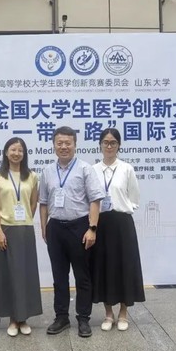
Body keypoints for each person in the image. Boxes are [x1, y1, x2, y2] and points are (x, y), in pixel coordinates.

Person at [39, 126, 105, 338]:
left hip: (80, 227)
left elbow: (95, 200)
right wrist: (44, 227)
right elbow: (43, 202)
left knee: (82, 275)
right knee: (59, 276)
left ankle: (83, 318)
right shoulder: (47, 171)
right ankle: (61, 317)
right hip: (56, 228)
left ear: (75, 145)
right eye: (59, 143)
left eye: (68, 143)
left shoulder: (86, 169)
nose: (64, 147)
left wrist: (92, 228)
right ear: (53, 145)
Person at [91, 128, 145, 331]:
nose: (109, 146)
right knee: (104, 267)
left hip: (122, 224)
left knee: (125, 267)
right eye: (105, 142)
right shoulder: (93, 170)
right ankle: (108, 314)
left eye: (113, 142)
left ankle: (123, 313)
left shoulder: (126, 169)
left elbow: (134, 197)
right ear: (100, 145)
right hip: (100, 223)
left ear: (119, 145)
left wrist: (124, 207)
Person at [0, 137, 43, 337]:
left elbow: (33, 203)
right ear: (6, 152)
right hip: (6, 230)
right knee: (9, 275)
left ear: (24, 153)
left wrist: (25, 218)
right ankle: (13, 319)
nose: (16, 153)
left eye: (20, 150)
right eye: (13, 149)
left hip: (25, 230)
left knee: (25, 275)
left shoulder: (32, 176)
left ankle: (24, 318)